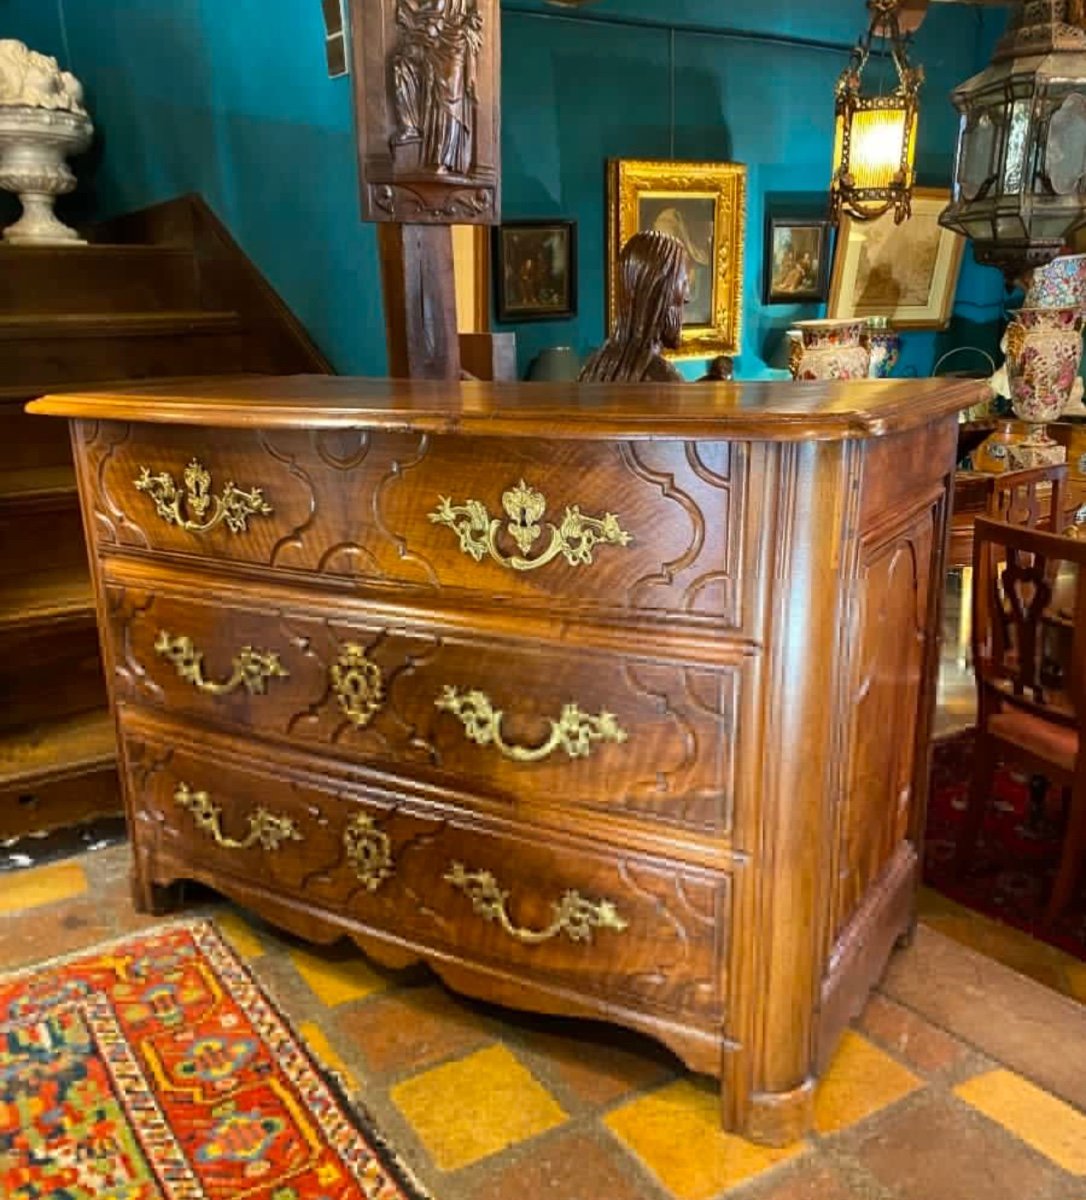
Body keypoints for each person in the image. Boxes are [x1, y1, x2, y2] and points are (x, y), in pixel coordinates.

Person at [579, 231, 687, 383]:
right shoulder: (664, 379)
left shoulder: (594, 366)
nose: (686, 295)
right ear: (656, 289)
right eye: (682, 283)